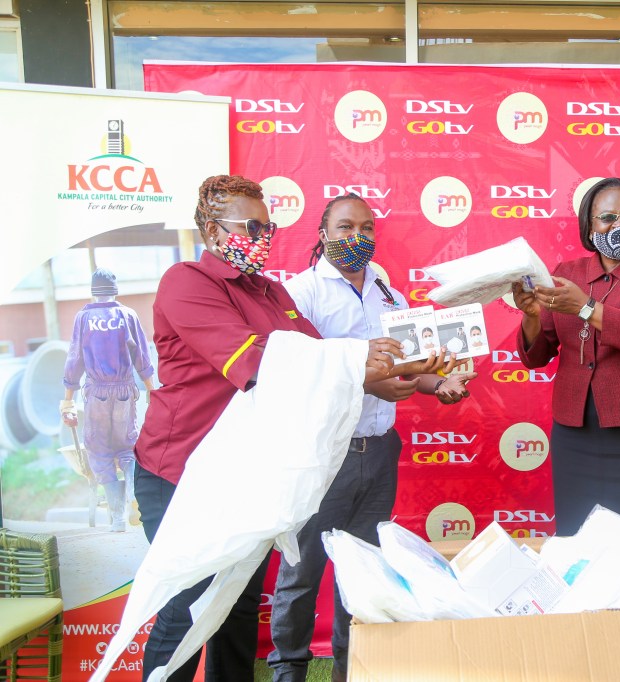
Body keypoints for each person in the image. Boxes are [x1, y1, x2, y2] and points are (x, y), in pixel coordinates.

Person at [133, 175, 426, 682]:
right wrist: (363, 361)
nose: (263, 237)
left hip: (244, 471)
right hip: (181, 471)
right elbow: (256, 364)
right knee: (187, 608)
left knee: (237, 606)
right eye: (251, 227)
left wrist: (399, 375)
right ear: (213, 230)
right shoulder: (187, 282)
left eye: (267, 228)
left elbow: (318, 357)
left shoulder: (270, 291)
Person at [269, 192, 475, 682]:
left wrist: (440, 384)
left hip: (379, 451)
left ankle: (351, 671)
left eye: (366, 228)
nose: (356, 237)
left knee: (362, 574)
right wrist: (364, 376)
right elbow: (293, 373)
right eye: (345, 227)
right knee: (301, 574)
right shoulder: (301, 295)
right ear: (323, 234)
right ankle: (288, 672)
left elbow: (408, 371)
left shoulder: (389, 295)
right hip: (323, 455)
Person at [511, 176, 620, 678]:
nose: (619, 227)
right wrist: (532, 316)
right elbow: (537, 355)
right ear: (588, 225)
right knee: (578, 552)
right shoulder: (566, 274)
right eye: (607, 218)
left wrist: (587, 308)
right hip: (577, 436)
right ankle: (589, 663)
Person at [61, 268, 155, 532]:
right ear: (115, 291)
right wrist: (151, 388)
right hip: (125, 391)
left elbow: (74, 359)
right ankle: (133, 493)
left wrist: (68, 400)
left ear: (93, 291)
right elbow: (142, 355)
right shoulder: (128, 315)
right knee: (127, 447)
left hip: (97, 394)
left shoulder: (83, 318)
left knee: (99, 451)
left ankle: (117, 518)